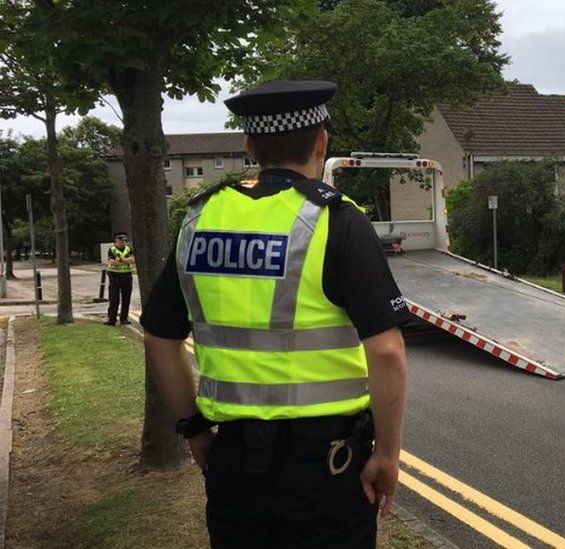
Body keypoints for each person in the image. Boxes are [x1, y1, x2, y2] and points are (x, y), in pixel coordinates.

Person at [139, 80, 410, 548]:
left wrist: (195, 429)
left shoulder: (199, 219)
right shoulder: (337, 221)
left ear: (249, 145)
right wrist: (387, 453)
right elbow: (387, 353)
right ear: (322, 141)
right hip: (325, 468)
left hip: (233, 462)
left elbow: (159, 339)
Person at [105, 231, 135, 326]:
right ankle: (112, 319)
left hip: (127, 276)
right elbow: (112, 262)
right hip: (115, 277)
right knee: (114, 299)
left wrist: (121, 260)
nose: (123, 242)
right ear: (116, 240)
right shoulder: (112, 249)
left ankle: (124, 318)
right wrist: (126, 261)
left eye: (125, 240)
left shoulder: (128, 249)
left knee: (126, 299)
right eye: (121, 240)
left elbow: (133, 259)